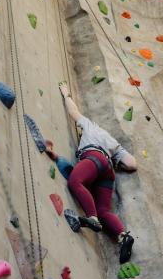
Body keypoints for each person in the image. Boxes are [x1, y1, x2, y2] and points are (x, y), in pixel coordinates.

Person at [58, 82, 137, 263]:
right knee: (104, 210)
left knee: (75, 182)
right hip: (108, 170)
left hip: (94, 157)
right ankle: (123, 236)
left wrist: (66, 94)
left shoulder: (91, 126)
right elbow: (132, 164)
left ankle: (91, 217)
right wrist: (117, 163)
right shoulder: (113, 142)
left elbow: (73, 113)